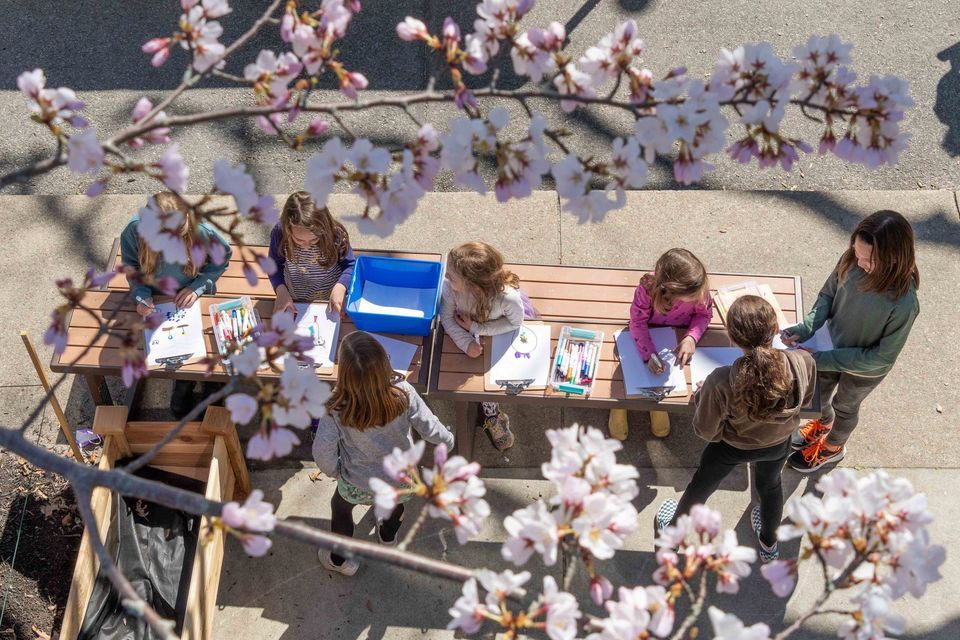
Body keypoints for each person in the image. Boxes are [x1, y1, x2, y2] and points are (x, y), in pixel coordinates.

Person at [654, 295, 816, 562]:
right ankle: (768, 544)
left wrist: (702, 397)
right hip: (778, 445)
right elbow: (806, 401)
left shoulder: (720, 381)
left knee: (701, 488)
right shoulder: (802, 362)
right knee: (771, 487)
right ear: (775, 329)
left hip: (730, 450)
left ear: (732, 338)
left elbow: (706, 431)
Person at [782, 210, 920, 473]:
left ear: (895, 257)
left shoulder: (904, 303)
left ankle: (833, 446)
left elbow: (881, 357)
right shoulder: (851, 261)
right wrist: (808, 326)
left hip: (864, 370)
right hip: (828, 346)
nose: (860, 263)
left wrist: (819, 358)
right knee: (818, 396)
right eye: (857, 254)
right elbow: (828, 295)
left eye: (869, 260)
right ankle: (822, 424)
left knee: (845, 407)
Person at [312, 332, 454, 576]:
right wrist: (448, 441)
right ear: (384, 362)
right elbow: (431, 429)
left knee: (341, 509)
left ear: (344, 373)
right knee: (396, 506)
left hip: (355, 480)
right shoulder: (403, 391)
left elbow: (322, 451)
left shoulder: (336, 406)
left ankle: (340, 560)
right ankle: (387, 537)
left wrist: (336, 471)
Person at [120, 192, 232, 418]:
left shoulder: (203, 231)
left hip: (194, 296)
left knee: (208, 344)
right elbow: (131, 266)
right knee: (176, 347)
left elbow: (222, 259)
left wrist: (198, 286)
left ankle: (213, 384)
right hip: (158, 299)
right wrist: (141, 295)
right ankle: (184, 382)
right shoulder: (133, 231)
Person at [439, 242, 536, 452]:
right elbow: (446, 318)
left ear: (473, 284)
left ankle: (492, 413)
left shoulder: (507, 298)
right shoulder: (451, 288)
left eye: (451, 276)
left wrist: (477, 327)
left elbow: (514, 323)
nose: (445, 279)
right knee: (466, 374)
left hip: (497, 333)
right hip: (466, 333)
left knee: (492, 378)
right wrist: (466, 342)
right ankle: (491, 411)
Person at [609, 248, 713, 438]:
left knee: (666, 377)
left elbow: (704, 314)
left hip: (678, 335)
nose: (698, 299)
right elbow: (637, 323)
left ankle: (657, 401)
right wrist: (648, 354)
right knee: (629, 370)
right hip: (644, 333)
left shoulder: (698, 288)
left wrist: (691, 337)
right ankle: (621, 402)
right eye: (690, 298)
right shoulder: (647, 289)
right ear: (671, 292)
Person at [268, 191, 356, 316]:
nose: (306, 246)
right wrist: (281, 290)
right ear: (288, 229)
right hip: (295, 295)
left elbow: (350, 265)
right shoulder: (280, 232)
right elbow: (273, 265)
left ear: (325, 227)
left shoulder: (335, 234)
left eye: (314, 239)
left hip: (331, 294)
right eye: (299, 240)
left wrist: (341, 287)